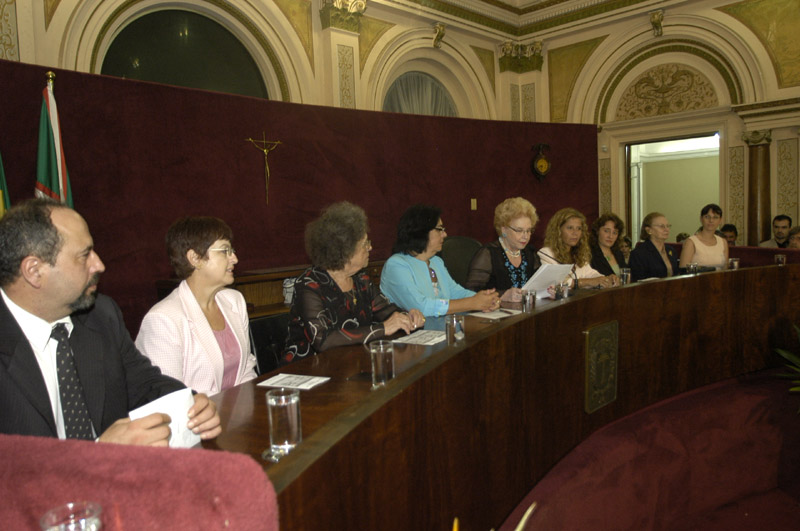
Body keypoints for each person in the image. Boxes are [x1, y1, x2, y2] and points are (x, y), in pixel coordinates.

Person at [0, 199, 220, 444]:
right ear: (34, 271)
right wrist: (99, 454)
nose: (100, 265)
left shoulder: (101, 314)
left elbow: (144, 384)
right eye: (84, 256)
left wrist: (190, 402)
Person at [283, 202, 424, 364]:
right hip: (307, 370)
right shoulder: (309, 285)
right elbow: (323, 340)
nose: (370, 248)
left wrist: (408, 316)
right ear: (345, 251)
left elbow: (386, 311)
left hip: (351, 364)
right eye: (365, 244)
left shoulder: (361, 280)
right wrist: (383, 328)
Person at [136, 217, 257, 395]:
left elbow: (246, 369)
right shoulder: (163, 319)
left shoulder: (234, 301)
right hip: (193, 421)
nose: (235, 259)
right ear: (195, 258)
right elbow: (169, 399)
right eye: (225, 251)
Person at [380, 204, 500, 317]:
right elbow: (421, 307)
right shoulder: (396, 265)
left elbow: (455, 292)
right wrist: (472, 303)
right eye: (439, 229)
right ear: (421, 232)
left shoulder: (436, 262)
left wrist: (486, 299)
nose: (445, 234)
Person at [464, 197, 541, 301]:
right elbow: (471, 292)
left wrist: (548, 288)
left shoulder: (530, 252)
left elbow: (539, 282)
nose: (525, 236)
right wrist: (502, 295)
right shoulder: (488, 254)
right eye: (519, 230)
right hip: (495, 313)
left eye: (528, 231)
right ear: (504, 229)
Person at [537, 208, 616, 289]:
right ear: (558, 230)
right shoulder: (546, 253)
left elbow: (590, 273)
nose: (575, 233)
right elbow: (556, 282)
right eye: (570, 228)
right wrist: (584, 282)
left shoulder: (578, 253)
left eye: (579, 228)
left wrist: (606, 279)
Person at [629, 212, 679, 281]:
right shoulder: (639, 253)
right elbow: (637, 280)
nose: (666, 229)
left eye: (668, 226)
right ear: (649, 230)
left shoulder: (671, 250)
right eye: (661, 226)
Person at [679, 204, 729, 270]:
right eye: (707, 217)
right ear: (701, 219)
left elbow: (726, 269)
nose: (711, 220)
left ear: (720, 220)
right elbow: (683, 270)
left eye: (715, 217)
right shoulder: (691, 242)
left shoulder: (723, 242)